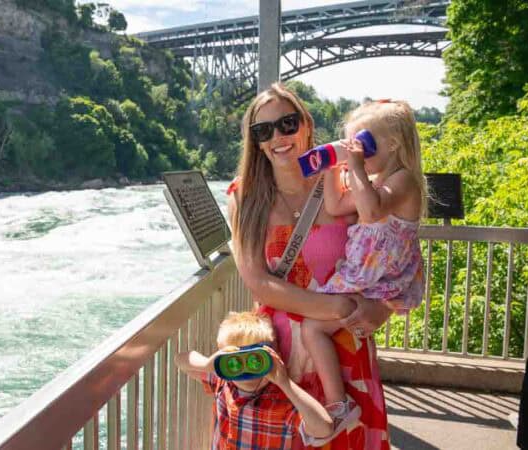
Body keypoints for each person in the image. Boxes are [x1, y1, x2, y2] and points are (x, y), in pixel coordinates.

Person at [227, 83, 409, 449]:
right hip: (279, 359)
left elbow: (391, 254)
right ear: (256, 141)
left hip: (343, 352)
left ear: (306, 124)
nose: (277, 137)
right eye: (263, 130)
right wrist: (341, 307)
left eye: (287, 124)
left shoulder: (344, 186)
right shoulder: (244, 196)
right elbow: (259, 284)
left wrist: (382, 309)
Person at [301, 99, 427, 439]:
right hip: (368, 278)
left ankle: (339, 406)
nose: (357, 150)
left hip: (375, 280)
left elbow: (370, 213)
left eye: (364, 143)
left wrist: (354, 167)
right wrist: (332, 169)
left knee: (312, 329)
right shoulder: (372, 182)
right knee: (314, 323)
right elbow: (335, 204)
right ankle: (338, 402)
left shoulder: (404, 181)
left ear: (393, 144)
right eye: (353, 143)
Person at [174, 311, 334, 448]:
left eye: (256, 360)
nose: (246, 371)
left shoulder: (284, 400)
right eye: (235, 362)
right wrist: (208, 364)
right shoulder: (223, 382)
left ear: (273, 356)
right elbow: (181, 360)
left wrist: (286, 384)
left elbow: (324, 429)